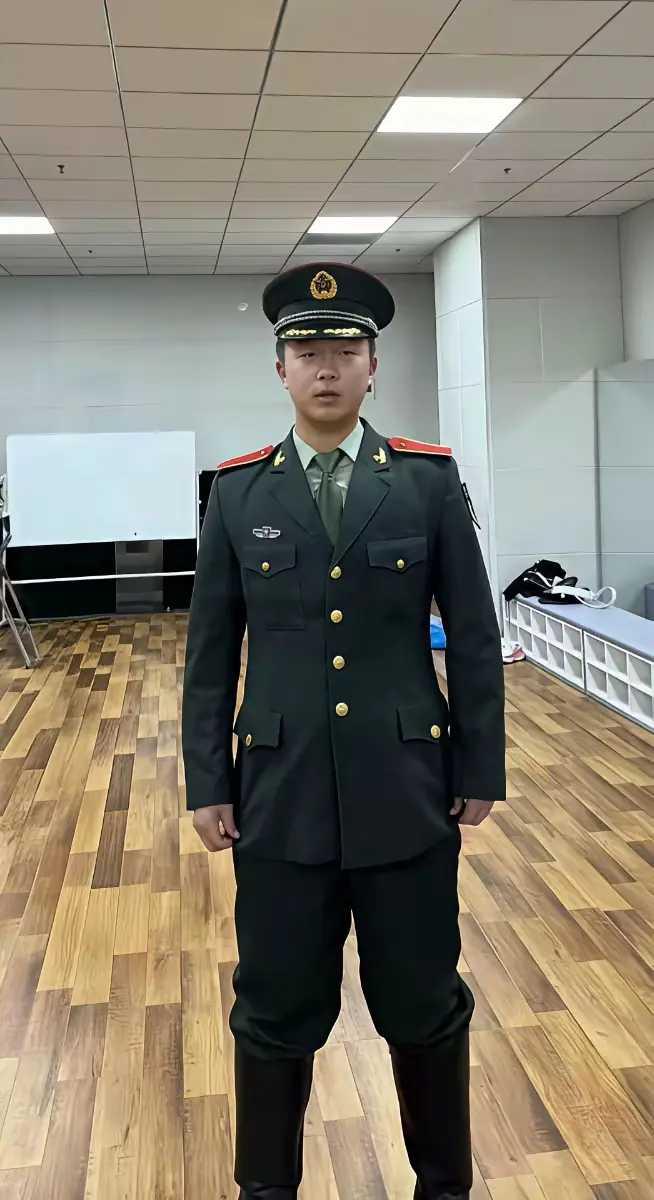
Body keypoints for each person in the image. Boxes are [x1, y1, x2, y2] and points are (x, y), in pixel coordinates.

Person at [182, 262, 506, 1200]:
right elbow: (211, 652)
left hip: (407, 792)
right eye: (307, 351)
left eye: (345, 350)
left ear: (373, 365)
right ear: (281, 368)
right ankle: (265, 1191)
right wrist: (207, 781)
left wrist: (480, 766)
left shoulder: (426, 482)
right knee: (273, 1010)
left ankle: (444, 1189)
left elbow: (473, 636)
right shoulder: (239, 492)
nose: (326, 367)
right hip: (277, 800)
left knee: (425, 1005)